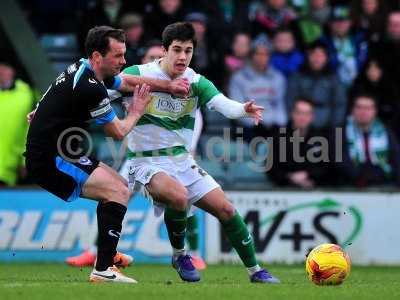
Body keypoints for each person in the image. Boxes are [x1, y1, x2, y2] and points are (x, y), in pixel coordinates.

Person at [25, 25, 189, 284]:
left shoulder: (85, 69)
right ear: (98, 56)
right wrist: (136, 110)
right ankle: (103, 269)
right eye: (118, 55)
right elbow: (118, 131)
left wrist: (168, 87)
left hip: (60, 149)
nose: (124, 61)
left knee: (120, 186)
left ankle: (107, 255)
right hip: (48, 159)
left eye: (124, 54)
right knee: (118, 192)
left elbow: (126, 82)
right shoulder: (91, 88)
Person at [123, 22, 279, 284]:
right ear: (164, 50)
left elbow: (224, 106)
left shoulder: (195, 81)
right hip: (146, 160)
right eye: (177, 50)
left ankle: (256, 270)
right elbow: (102, 89)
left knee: (227, 210)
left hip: (182, 161)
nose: (183, 57)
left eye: (188, 50)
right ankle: (180, 255)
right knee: (179, 197)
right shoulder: (139, 73)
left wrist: (244, 108)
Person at [65, 41, 207, 270]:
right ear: (144, 63)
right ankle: (92, 252)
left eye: (156, 58)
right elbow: (95, 99)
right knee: (111, 196)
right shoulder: (133, 85)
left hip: (171, 161)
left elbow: (194, 123)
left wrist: (187, 155)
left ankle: (192, 254)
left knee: (187, 200)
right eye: (150, 58)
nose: (155, 63)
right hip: (136, 161)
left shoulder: (183, 94)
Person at [229, 36, 287, 141]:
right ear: (252, 56)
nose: (262, 57)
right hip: (248, 126)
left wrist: (279, 124)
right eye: (258, 54)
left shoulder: (278, 78)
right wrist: (256, 122)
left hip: (272, 126)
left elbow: (279, 106)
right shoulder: (238, 78)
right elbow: (237, 108)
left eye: (265, 54)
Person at [334, 94, 400, 187]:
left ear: (375, 111)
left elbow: (396, 158)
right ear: (352, 110)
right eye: (359, 107)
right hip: (350, 183)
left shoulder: (386, 132)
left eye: (368, 108)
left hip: (383, 181)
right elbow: (339, 161)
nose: (363, 112)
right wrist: (361, 176)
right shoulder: (339, 132)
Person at [268, 98, 330, 188]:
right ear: (292, 114)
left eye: (307, 114)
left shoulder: (322, 138)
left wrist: (308, 175)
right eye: (299, 113)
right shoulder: (278, 137)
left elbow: (327, 167)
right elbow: (271, 168)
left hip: (315, 189)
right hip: (284, 189)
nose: (302, 117)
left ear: (312, 117)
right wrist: (289, 177)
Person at [286, 41, 347, 129]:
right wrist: (294, 120)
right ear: (308, 57)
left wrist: (335, 124)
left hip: (327, 124)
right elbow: (290, 100)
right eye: (313, 55)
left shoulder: (334, 78)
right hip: (300, 121)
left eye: (321, 55)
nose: (317, 59)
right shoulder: (297, 76)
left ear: (326, 58)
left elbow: (340, 103)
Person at [0, 62, 34, 186]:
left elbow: (28, 129)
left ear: (13, 70)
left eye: (5, 67)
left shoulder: (27, 94)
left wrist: (24, 160)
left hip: (10, 168)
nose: (1, 71)